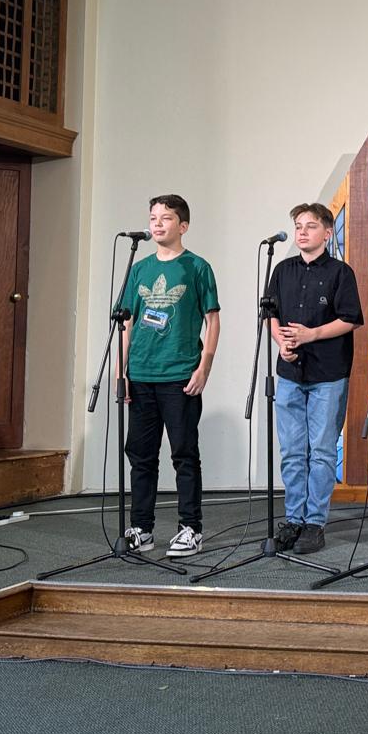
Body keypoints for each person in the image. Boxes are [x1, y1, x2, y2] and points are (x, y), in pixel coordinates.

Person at [120, 194, 220, 558]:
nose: (158, 224)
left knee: (184, 454)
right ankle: (142, 528)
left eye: (166, 218)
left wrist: (204, 367)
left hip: (180, 375)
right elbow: (127, 322)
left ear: (183, 225)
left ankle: (191, 528)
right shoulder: (139, 269)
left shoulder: (196, 267)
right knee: (141, 456)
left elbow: (213, 320)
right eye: (153, 218)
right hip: (141, 375)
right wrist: (122, 371)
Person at [266, 202, 364, 556]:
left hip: (328, 373)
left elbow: (350, 319)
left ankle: (314, 523)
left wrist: (312, 335)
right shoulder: (282, 270)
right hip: (290, 373)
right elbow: (271, 314)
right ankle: (293, 519)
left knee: (321, 451)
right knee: (292, 451)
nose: (302, 232)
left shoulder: (340, 272)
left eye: (310, 226)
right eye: (298, 226)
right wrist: (282, 343)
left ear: (327, 232)